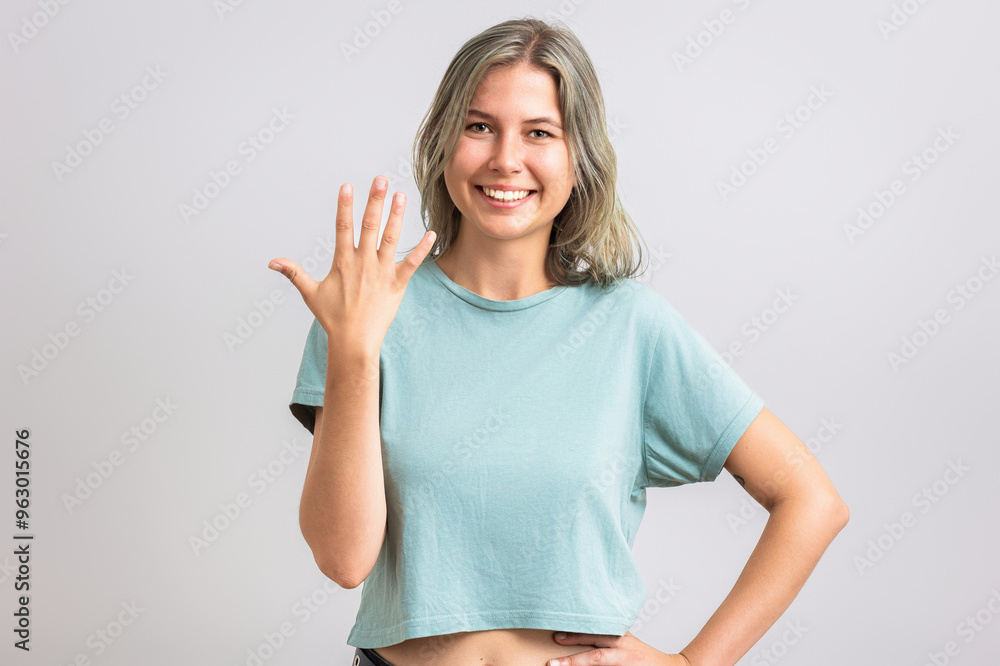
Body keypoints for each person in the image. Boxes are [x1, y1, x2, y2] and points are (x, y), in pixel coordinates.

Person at [268, 17, 849, 666]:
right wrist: (352, 354)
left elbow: (812, 501)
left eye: (539, 132)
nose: (504, 159)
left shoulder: (630, 326)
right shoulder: (367, 311)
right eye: (478, 125)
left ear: (580, 159)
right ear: (443, 142)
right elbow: (344, 559)